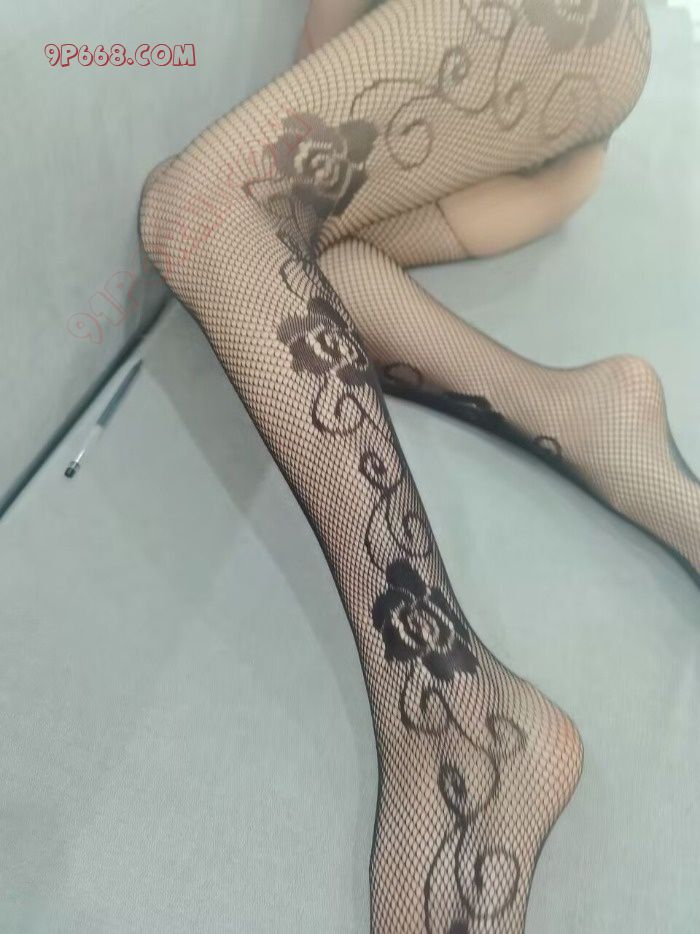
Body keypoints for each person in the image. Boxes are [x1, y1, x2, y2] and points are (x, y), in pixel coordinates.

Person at [139, 2, 693, 930]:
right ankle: (584, 420)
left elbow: (325, 46)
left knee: (199, 207)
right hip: (549, 82)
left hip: (540, 40)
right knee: (281, 254)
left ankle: (458, 713)